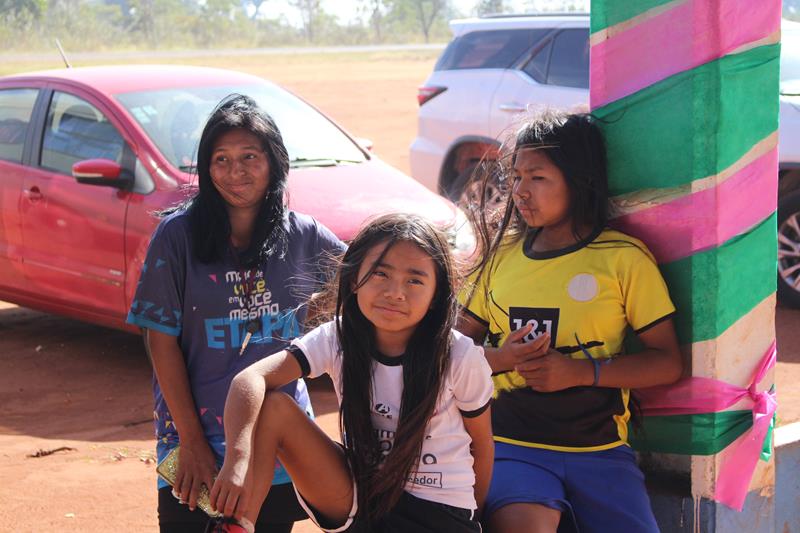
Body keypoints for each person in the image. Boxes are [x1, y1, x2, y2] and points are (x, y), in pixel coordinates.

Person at [127, 94, 345, 533]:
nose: (235, 171)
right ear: (206, 169)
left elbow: (368, 282)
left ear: (275, 162)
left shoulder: (304, 235)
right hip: (191, 445)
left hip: (279, 446)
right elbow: (161, 341)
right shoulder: (177, 236)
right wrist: (191, 442)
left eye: (250, 156)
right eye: (221, 159)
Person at [457, 110, 683, 533]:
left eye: (538, 177)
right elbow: (449, 353)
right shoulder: (499, 260)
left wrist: (580, 371)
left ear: (578, 180)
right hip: (510, 445)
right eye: (517, 177)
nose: (521, 192)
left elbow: (667, 362)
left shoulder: (623, 259)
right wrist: (503, 359)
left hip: (600, 450)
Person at [208, 214, 495, 533]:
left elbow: (481, 446)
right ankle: (238, 526)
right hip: (361, 501)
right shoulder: (338, 337)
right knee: (273, 407)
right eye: (380, 274)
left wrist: (473, 518)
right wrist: (236, 460)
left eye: (414, 280)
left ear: (436, 295)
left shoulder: (459, 355)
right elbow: (251, 378)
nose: (395, 292)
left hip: (440, 514)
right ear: (355, 278)